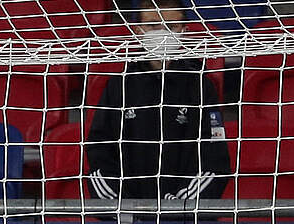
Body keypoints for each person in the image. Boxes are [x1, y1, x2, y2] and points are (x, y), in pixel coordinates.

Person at [85, 0, 230, 202]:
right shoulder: (119, 86)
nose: (162, 32)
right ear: (138, 30)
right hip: (125, 215)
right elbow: (99, 148)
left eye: (171, 26)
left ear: (184, 30)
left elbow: (214, 156)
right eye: (153, 25)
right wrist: (124, 205)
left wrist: (181, 205)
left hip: (186, 218)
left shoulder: (200, 85)